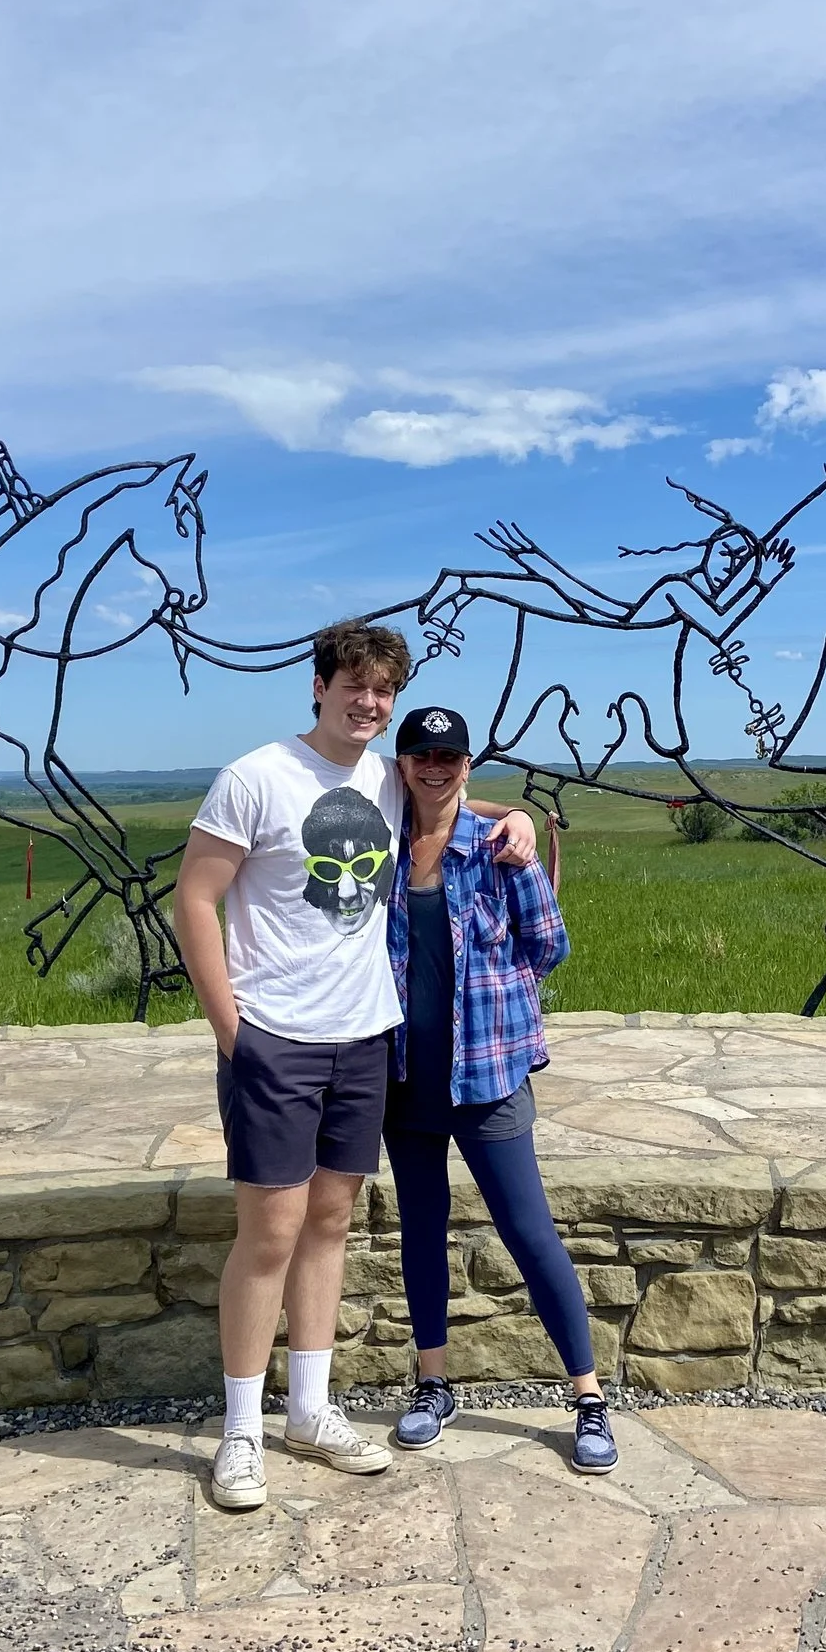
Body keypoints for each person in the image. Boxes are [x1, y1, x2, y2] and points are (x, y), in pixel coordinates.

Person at [174, 621, 537, 1511]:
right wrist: (233, 1032)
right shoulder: (256, 777)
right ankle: (241, 1432)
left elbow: (448, 802)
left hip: (368, 1035)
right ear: (319, 686)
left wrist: (516, 814)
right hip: (277, 1038)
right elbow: (194, 896)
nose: (369, 703)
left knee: (330, 1222)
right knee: (268, 1233)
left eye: (383, 690)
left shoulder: (383, 772)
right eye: (354, 686)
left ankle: (310, 1409)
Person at [381, 704, 616, 1473]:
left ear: (467, 762)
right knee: (421, 1226)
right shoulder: (377, 843)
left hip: (485, 1072)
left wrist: (498, 995)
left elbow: (549, 945)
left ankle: (586, 1397)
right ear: (402, 762)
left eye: (450, 755)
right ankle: (433, 1382)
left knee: (528, 1228)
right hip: (404, 1075)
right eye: (422, 754)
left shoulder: (496, 847)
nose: (436, 766)